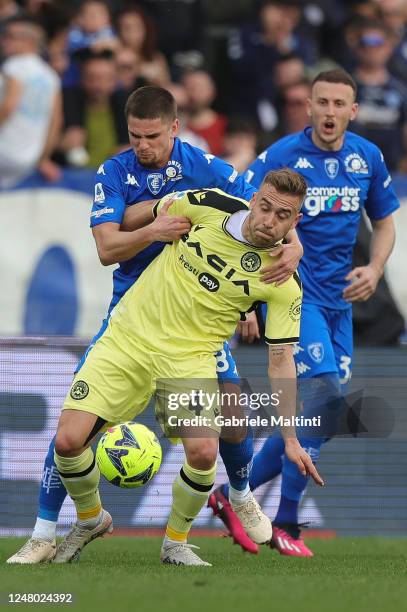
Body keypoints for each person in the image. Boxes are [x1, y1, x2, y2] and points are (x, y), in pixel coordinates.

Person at [7, 85, 304, 564]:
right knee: (71, 435)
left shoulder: (204, 167)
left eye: (151, 136)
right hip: (135, 308)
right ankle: (48, 530)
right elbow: (107, 248)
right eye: (134, 136)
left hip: (201, 324)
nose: (142, 145)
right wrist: (153, 228)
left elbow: (262, 209)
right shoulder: (117, 171)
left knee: (230, 415)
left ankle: (237, 500)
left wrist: (292, 247)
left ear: (174, 129)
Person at [51, 170, 323, 566]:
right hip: (129, 336)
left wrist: (292, 439)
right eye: (264, 206)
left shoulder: (282, 280)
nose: (268, 220)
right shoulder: (207, 205)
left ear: (295, 222)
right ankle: (91, 518)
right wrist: (154, 224)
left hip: (190, 357)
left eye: (282, 216)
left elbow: (280, 360)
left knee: (203, 453)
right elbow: (147, 212)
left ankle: (174, 542)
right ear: (253, 199)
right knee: (67, 442)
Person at [209, 68, 400, 557]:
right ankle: (287, 522)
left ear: (353, 111)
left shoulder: (367, 157)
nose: (331, 112)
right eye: (323, 102)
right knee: (325, 395)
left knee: (323, 413)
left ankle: (232, 496)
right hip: (294, 296)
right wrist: (245, 299)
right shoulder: (282, 158)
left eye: (340, 104)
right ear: (309, 107)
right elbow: (242, 214)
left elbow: (384, 223)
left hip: (342, 305)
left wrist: (375, 268)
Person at [0, 15, 61, 187]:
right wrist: (42, 158)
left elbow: (9, 106)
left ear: (29, 40)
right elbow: (56, 122)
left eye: (10, 36)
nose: (3, 40)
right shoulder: (51, 75)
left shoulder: (14, 65)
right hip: (30, 158)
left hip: (5, 149)